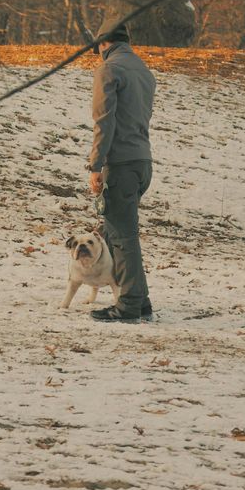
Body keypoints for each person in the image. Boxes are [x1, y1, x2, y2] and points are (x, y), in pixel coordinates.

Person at [88, 20, 156, 323]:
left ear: (103, 43)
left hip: (122, 164)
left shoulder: (109, 70)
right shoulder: (144, 71)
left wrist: (95, 165)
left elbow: (104, 121)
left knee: (121, 239)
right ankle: (140, 303)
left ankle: (128, 305)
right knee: (124, 234)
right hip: (143, 163)